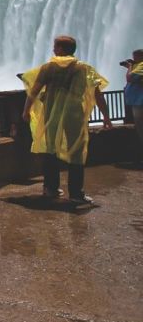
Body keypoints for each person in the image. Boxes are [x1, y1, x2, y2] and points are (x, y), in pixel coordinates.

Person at [22, 35, 111, 204]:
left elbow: (34, 91)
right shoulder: (83, 68)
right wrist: (105, 116)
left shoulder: (48, 67)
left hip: (51, 115)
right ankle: (76, 194)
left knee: (50, 150)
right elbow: (97, 95)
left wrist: (26, 110)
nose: (53, 49)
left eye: (55, 46)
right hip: (73, 115)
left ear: (62, 49)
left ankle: (50, 189)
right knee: (76, 152)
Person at [123, 49, 143, 147]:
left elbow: (129, 78)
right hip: (137, 101)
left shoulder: (142, 65)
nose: (134, 59)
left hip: (140, 102)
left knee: (140, 126)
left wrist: (130, 66)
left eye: (135, 57)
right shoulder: (138, 66)